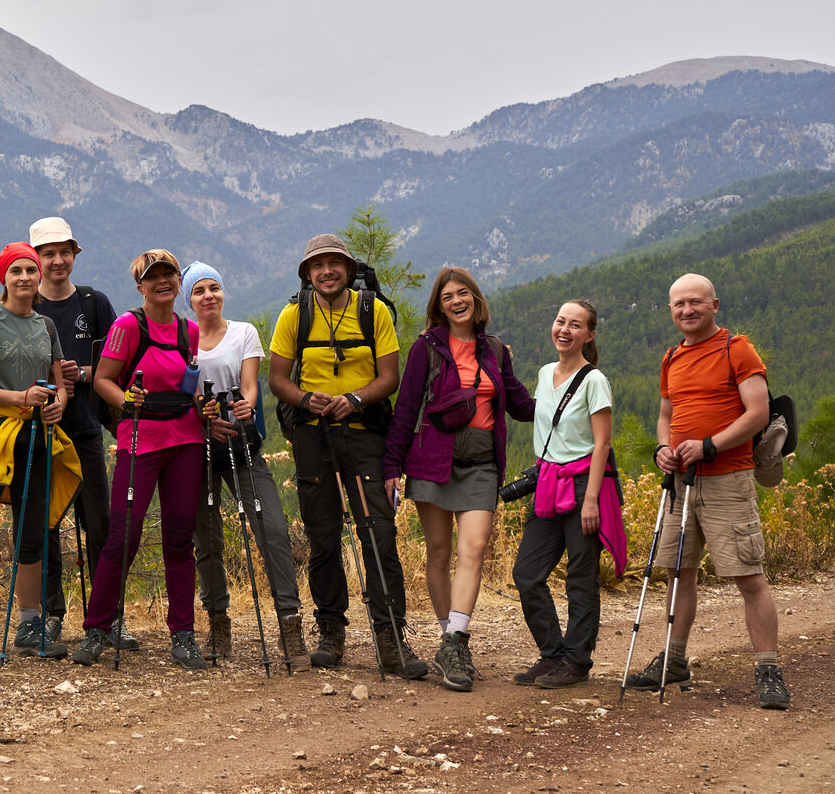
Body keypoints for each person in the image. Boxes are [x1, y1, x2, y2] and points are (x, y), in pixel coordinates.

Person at [626, 273, 789, 710]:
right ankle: (675, 661)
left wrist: (710, 445)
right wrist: (664, 446)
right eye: (678, 304)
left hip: (727, 480)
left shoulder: (737, 349)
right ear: (671, 310)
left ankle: (768, 670)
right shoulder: (671, 357)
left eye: (695, 302)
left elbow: (758, 413)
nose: (687, 310)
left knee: (748, 576)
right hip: (681, 482)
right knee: (680, 572)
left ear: (715, 304)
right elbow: (666, 414)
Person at [268, 233, 428, 680]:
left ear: (349, 268)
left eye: (334, 263)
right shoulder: (293, 315)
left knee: (377, 533)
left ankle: (391, 638)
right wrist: (305, 399)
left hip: (363, 432)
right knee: (322, 535)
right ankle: (330, 633)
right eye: (317, 266)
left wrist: (355, 399)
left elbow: (389, 376)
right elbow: (278, 379)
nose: (326, 272)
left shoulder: (372, 310)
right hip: (312, 433)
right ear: (307, 274)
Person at [382, 265, 534, 691]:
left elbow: (521, 404)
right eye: (448, 296)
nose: (457, 301)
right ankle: (450, 639)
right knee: (439, 552)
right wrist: (391, 468)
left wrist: (570, 404)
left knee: (475, 549)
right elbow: (405, 411)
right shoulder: (426, 349)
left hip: (481, 464)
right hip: (431, 460)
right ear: (439, 306)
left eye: (463, 293)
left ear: (476, 298)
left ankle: (453, 641)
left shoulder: (495, 351)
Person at [71, 249, 211, 670]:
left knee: (180, 539)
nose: (162, 282)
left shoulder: (190, 331)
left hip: (185, 439)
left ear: (176, 282)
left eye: (168, 274)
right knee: (123, 537)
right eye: (153, 277)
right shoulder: (128, 325)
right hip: (140, 440)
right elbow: (102, 379)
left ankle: (183, 635)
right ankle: (97, 628)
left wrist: (205, 407)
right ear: (140, 287)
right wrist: (125, 400)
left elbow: (191, 385)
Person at [0, 242, 80, 664]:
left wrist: (59, 400)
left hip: (37, 437)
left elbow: (59, 381)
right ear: (3, 277)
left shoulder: (48, 327)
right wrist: (18, 397)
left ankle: (28, 625)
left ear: (39, 276)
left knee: (32, 534)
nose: (24, 277)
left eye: (30, 270)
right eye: (16, 271)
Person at [184, 261, 312, 671]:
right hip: (197, 447)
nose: (209, 296)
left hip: (242, 443)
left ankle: (290, 623)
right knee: (207, 541)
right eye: (199, 290)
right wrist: (203, 416)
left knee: (272, 529)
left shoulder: (243, 333)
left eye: (214, 288)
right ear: (189, 299)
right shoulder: (181, 339)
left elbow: (251, 383)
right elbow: (179, 391)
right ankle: (217, 622)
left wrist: (246, 407)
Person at [510, 299, 626, 689]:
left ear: (588, 335)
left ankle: (576, 661)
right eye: (560, 321)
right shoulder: (545, 374)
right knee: (527, 572)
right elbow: (547, 431)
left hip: (583, 486)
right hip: (548, 483)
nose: (565, 329)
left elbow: (602, 443)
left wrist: (591, 498)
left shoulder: (595, 381)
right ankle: (553, 653)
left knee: (580, 576)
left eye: (575, 325)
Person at [28, 216, 127, 648]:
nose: (57, 260)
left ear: (75, 255)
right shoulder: (23, 307)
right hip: (39, 431)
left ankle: (107, 617)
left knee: (99, 523)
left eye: (64, 252)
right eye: (47, 254)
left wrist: (82, 373)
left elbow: (115, 363)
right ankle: (52, 614)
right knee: (45, 526)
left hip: (85, 429)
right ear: (35, 259)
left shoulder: (94, 304)